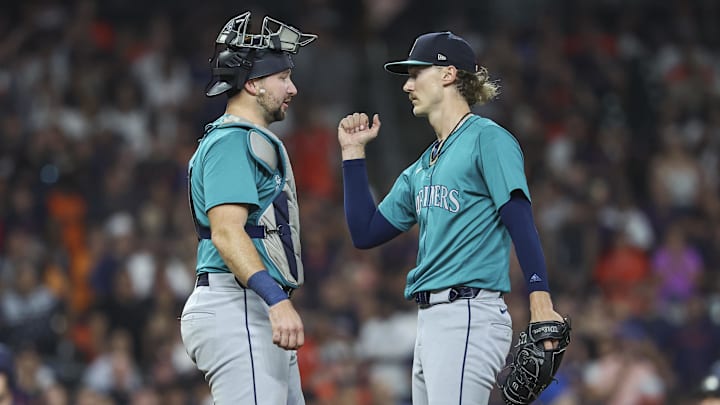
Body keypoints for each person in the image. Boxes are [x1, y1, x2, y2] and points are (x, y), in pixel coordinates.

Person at [337, 31, 566, 404]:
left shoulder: (487, 139)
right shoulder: (420, 167)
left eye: (416, 73)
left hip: (468, 313)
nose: (408, 85)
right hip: (430, 322)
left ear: (447, 74)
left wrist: (540, 297)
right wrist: (352, 155)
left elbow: (519, 216)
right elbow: (365, 232)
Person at [180, 12, 316, 404]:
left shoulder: (242, 139)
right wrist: (275, 299)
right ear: (254, 84)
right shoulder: (233, 141)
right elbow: (226, 232)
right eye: (283, 78)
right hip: (237, 303)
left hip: (246, 303)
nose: (292, 88)